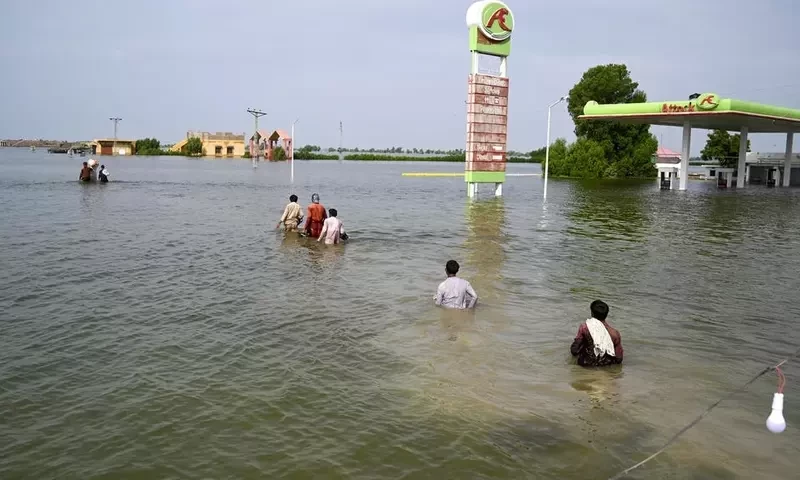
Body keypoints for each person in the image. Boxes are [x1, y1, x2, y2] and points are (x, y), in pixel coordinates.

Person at [570, 300, 623, 367]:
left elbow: (574, 350)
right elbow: (619, 358)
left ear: (592, 313)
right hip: (605, 366)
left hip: (586, 365)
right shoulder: (615, 333)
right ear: (606, 314)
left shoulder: (585, 327)